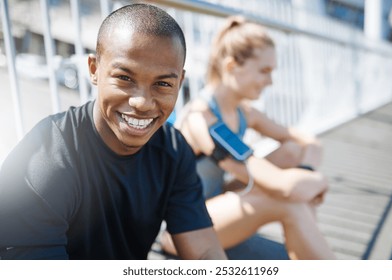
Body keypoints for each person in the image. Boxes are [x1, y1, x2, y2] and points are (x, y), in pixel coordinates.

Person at [0, 3, 226, 260]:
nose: (142, 102)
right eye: (125, 78)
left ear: (180, 83)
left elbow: (205, 253)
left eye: (162, 83)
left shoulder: (173, 151)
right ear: (95, 69)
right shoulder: (46, 158)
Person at [160, 16, 336, 260]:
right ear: (232, 67)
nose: (270, 81)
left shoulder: (244, 112)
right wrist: (318, 180)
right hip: (181, 229)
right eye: (264, 71)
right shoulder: (203, 120)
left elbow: (304, 141)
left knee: (292, 153)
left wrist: (305, 170)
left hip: (213, 208)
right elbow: (282, 186)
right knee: (287, 200)